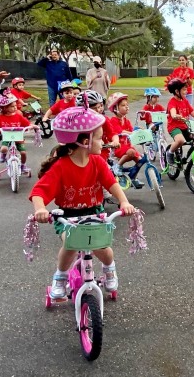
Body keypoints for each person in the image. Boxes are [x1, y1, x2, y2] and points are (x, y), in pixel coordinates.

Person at [30, 105, 135, 300]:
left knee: (102, 247)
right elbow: (39, 191)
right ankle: (60, 277)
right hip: (68, 216)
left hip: (95, 212)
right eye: (98, 138)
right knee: (70, 246)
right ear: (85, 141)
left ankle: (109, 270)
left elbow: (112, 184)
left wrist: (124, 202)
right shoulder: (61, 167)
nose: (102, 141)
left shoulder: (97, 162)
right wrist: (40, 210)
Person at [0, 93, 35, 170]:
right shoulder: (0, 117)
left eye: (15, 106)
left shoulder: (18, 115)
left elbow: (26, 122)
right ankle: (2, 156)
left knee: (23, 153)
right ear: (5, 108)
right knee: (4, 149)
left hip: (18, 137)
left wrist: (31, 126)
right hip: (7, 136)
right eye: (12, 106)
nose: (15, 108)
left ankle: (23, 165)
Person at [164, 78, 194, 166]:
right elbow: (173, 112)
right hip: (174, 127)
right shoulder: (172, 102)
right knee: (180, 141)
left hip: (184, 126)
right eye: (184, 89)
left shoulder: (185, 101)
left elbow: (191, 111)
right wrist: (175, 115)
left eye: (186, 89)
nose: (186, 91)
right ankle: (170, 152)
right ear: (177, 91)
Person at [107, 92, 144, 188]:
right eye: (123, 105)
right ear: (115, 108)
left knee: (140, 160)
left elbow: (131, 130)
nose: (127, 107)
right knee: (131, 152)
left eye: (127, 105)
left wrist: (139, 131)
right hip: (118, 146)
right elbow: (120, 131)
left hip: (127, 146)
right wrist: (132, 133)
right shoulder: (113, 120)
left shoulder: (126, 120)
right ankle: (117, 166)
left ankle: (133, 177)